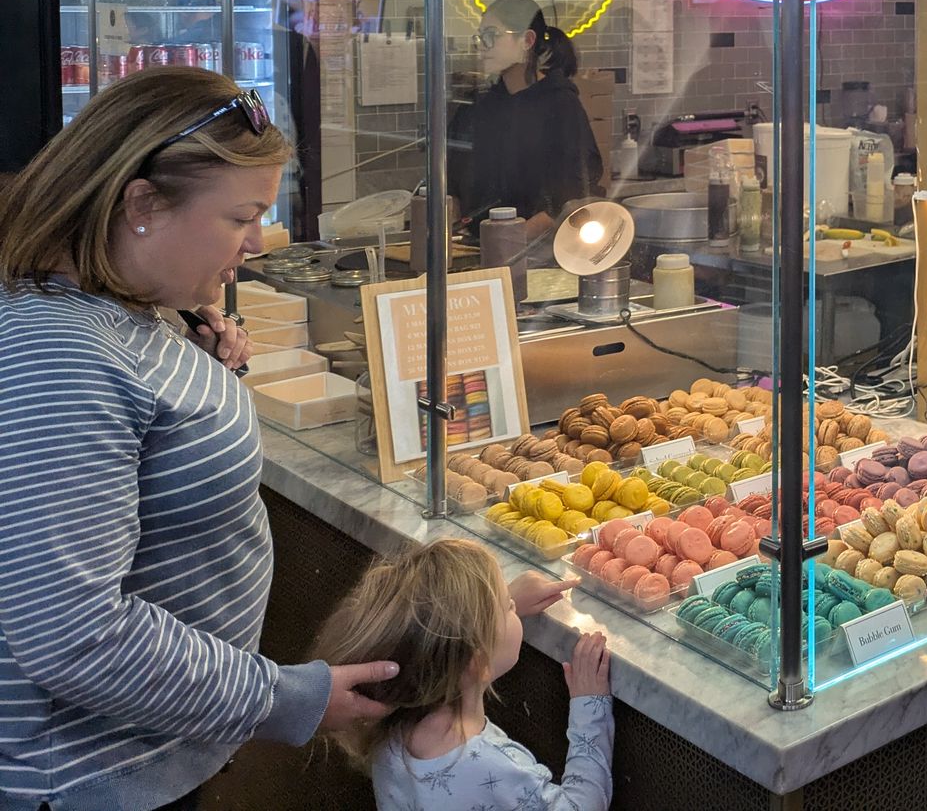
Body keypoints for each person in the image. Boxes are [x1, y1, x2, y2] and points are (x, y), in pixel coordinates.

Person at [0, 67, 401, 811]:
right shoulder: (60, 357)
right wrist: (284, 699)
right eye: (240, 217)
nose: (257, 242)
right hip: (90, 777)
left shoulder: (124, 303)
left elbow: (143, 436)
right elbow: (72, 634)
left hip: (159, 744)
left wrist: (199, 368)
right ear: (142, 203)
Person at [313, 538, 611, 810]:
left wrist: (502, 607)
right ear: (477, 660)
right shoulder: (493, 766)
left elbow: (445, 646)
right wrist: (589, 707)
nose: (511, 604)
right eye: (506, 606)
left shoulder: (390, 729)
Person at [452, 0, 603, 241]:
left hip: (537, 252)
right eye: (480, 37)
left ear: (527, 40)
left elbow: (572, 189)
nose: (482, 46)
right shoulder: (480, 106)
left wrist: (511, 240)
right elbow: (453, 179)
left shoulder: (560, 103)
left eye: (492, 35)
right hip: (475, 248)